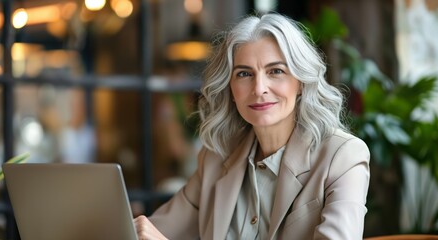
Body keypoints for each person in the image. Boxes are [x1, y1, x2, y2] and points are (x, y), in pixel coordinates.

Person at [134, 13, 370, 240]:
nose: (259, 89)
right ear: (230, 89)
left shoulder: (343, 157)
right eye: (244, 74)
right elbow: (155, 229)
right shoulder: (216, 157)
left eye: (276, 71)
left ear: (301, 83)